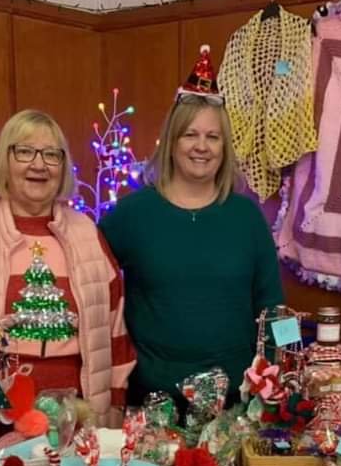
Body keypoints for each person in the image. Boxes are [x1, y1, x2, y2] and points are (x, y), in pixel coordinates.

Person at [0, 109, 135, 425]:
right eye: (24, 151)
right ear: (4, 160)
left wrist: (114, 408)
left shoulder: (89, 233)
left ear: (63, 166)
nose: (39, 165)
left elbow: (115, 331)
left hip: (77, 418)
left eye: (52, 155)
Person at [99, 48, 284, 408]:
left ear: (224, 146)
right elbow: (87, 277)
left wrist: (276, 379)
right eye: (190, 135)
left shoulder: (246, 218)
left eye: (213, 137)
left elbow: (272, 308)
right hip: (152, 403)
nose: (202, 147)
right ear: (172, 142)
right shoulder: (132, 213)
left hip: (236, 402)